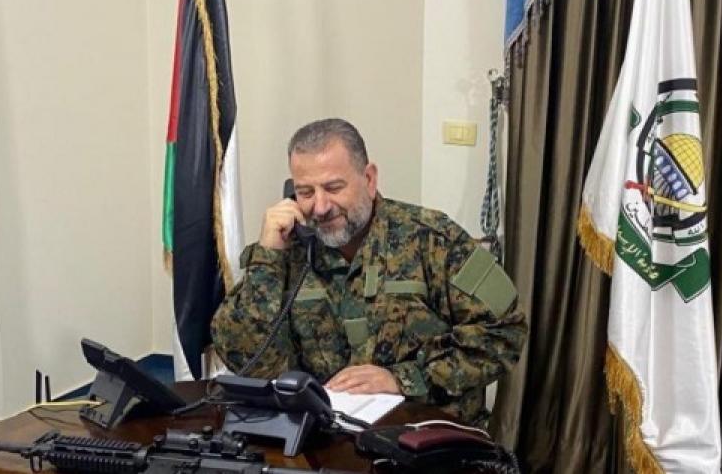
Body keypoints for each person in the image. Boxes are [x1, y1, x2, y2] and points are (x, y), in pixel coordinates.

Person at [211, 118, 527, 427]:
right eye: (305, 192)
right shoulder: (287, 253)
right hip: (325, 440)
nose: (320, 207)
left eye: (334, 187)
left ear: (369, 179)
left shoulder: (432, 239)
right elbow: (246, 358)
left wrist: (404, 379)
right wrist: (267, 257)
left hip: (427, 437)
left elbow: (505, 330)